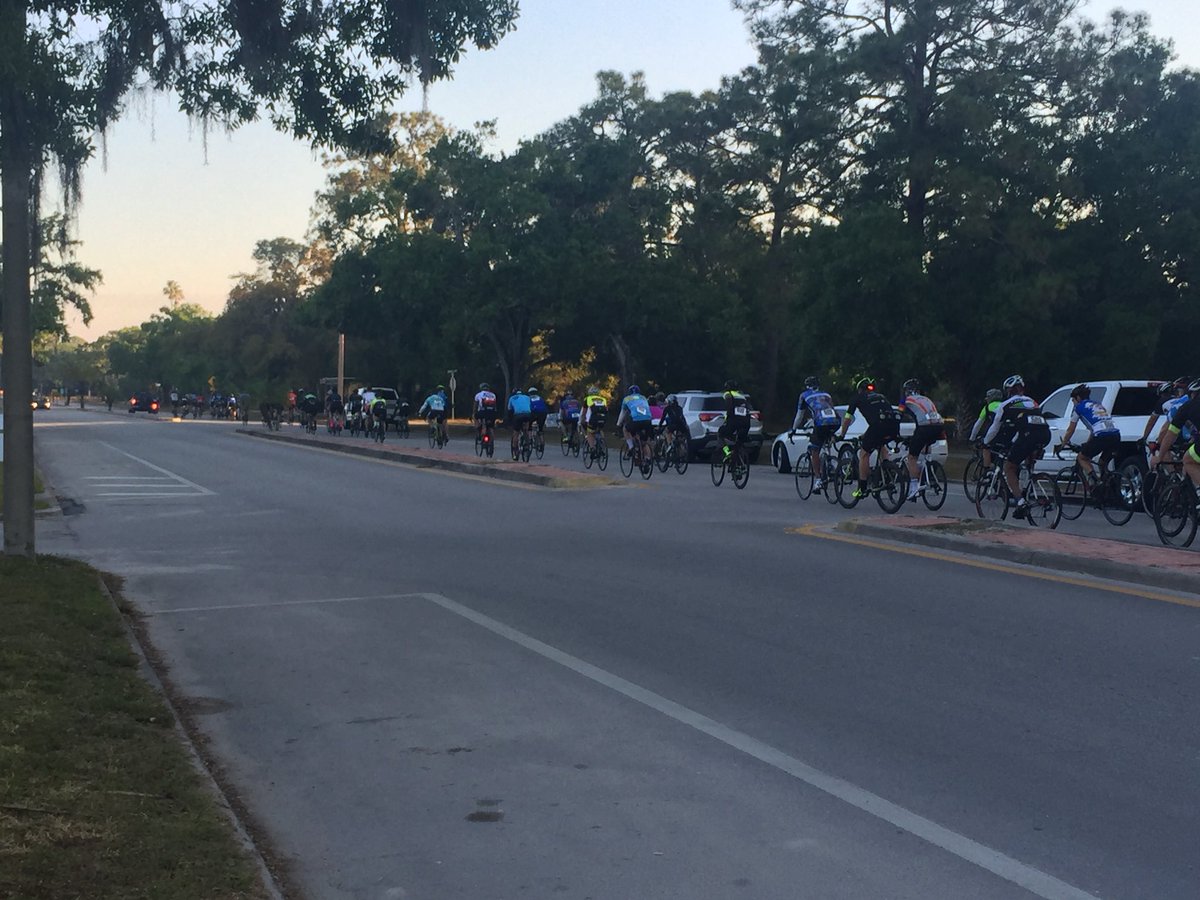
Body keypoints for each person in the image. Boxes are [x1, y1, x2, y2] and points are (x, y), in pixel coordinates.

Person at [982, 375, 1052, 519]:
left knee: (1009, 467)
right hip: (1045, 434)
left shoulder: (1005, 405)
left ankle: (1020, 502)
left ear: (1008, 391)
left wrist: (985, 442)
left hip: (1029, 435)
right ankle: (1028, 486)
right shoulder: (1032, 401)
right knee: (1027, 461)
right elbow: (1026, 423)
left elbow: (994, 428)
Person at [836, 376, 901, 500]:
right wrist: (866, 435)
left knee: (864, 454)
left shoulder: (857, 398)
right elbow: (877, 418)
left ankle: (862, 488)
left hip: (878, 426)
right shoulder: (881, 396)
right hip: (894, 426)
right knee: (881, 445)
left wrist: (842, 435)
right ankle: (887, 473)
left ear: (860, 390)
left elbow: (848, 419)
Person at [1057, 384, 1120, 484]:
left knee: (1082, 458)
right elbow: (1094, 430)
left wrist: (1063, 443)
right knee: (1102, 463)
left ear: (1078, 398)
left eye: (1073, 400)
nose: (1073, 403)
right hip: (1115, 436)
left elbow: (1071, 429)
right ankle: (1109, 487)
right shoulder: (1098, 405)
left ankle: (1096, 482)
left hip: (1101, 437)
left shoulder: (1078, 408)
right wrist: (1087, 444)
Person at [789, 376, 839, 492]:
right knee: (826, 438)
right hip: (836, 421)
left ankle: (818, 480)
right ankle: (829, 462)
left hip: (821, 422)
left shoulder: (804, 395)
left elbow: (799, 416)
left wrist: (793, 430)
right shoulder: (826, 394)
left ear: (807, 386)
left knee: (814, 449)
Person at [1150, 378, 1200, 492]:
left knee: (1188, 460)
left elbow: (1170, 434)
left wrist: (1160, 457)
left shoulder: (1187, 406)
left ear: (1193, 393)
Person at [898, 379, 945, 501]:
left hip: (925, 427)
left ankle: (914, 487)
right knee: (923, 448)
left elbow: (899, 415)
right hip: (939, 426)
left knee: (912, 457)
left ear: (907, 391)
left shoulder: (906, 400)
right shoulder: (926, 399)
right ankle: (927, 470)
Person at [617, 384, 655, 465]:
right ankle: (648, 458)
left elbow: (623, 413)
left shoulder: (627, 399)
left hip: (636, 420)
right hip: (647, 420)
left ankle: (631, 447)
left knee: (625, 429)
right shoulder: (643, 398)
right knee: (644, 442)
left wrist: (619, 424)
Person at [968, 388, 1005, 468]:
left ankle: (987, 470)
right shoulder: (1005, 405)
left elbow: (978, 425)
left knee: (985, 447)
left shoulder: (987, 407)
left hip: (994, 432)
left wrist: (972, 438)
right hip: (1007, 433)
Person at [718, 380, 752, 461]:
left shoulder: (728, 394)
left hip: (734, 421)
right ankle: (737, 457)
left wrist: (726, 420)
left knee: (720, 434)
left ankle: (727, 452)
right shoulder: (742, 396)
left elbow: (729, 408)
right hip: (746, 423)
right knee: (739, 440)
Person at [581, 385, 608, 457]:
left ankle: (592, 448)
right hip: (603, 418)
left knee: (589, 432)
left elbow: (584, 412)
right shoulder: (603, 399)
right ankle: (602, 444)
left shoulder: (588, 399)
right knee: (600, 429)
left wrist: (582, 419)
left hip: (593, 418)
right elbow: (606, 409)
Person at [507, 388, 532, 458]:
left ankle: (515, 451)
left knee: (516, 433)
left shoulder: (512, 398)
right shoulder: (527, 397)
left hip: (518, 415)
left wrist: (510, 421)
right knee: (526, 430)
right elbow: (530, 406)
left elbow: (509, 410)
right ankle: (527, 444)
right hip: (527, 414)